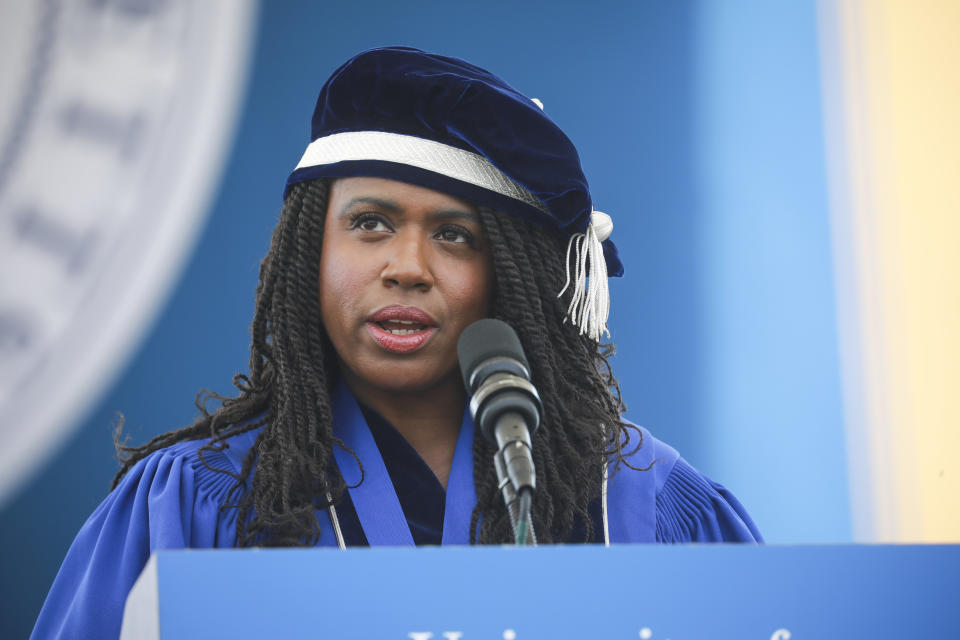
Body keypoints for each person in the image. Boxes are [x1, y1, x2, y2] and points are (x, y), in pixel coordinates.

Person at [32, 46, 761, 639]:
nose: (407, 267)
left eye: (454, 235)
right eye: (370, 223)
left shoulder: (638, 504)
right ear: (308, 255)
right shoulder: (193, 506)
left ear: (507, 276)